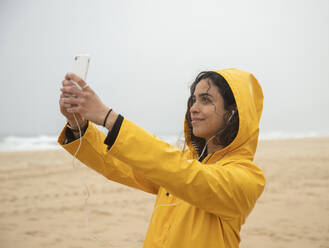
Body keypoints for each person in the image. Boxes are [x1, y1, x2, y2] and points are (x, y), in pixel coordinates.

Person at [58, 68, 265, 248]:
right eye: (193, 99)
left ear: (233, 112)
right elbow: (121, 164)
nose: (193, 107)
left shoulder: (247, 177)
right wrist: (78, 127)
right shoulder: (182, 163)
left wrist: (108, 117)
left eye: (206, 99)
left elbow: (186, 175)